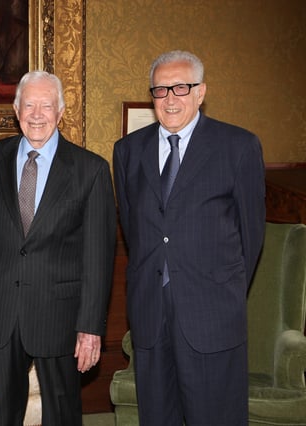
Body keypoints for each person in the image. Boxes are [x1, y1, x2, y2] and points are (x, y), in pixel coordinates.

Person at [113, 50, 266, 425]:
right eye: (161, 89)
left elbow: (252, 234)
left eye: (181, 87)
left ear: (201, 93)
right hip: (150, 314)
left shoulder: (238, 147)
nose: (170, 98)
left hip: (211, 315)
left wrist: (221, 291)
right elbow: (135, 230)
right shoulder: (128, 151)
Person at [0, 70, 117, 425]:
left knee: (62, 416)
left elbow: (98, 259)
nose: (36, 114)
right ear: (15, 109)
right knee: (4, 415)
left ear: (60, 112)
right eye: (29, 105)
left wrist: (91, 328)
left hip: (61, 318)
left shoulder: (91, 170)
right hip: (2, 314)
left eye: (46, 106)